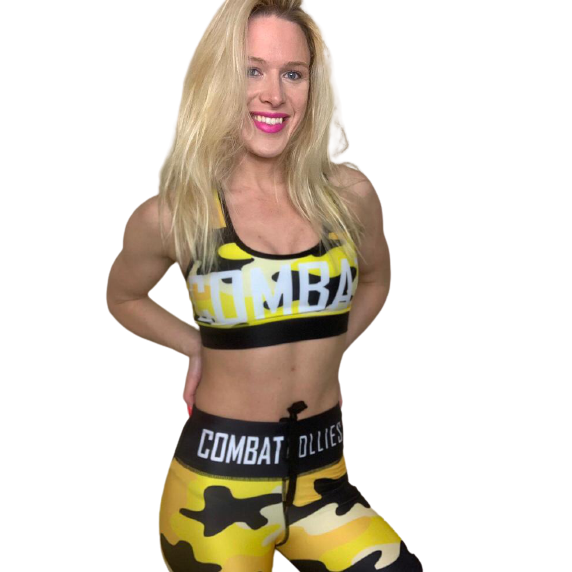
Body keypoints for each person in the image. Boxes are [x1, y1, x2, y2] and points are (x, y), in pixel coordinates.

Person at [107, 0, 423, 570]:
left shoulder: (349, 198)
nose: (273, 95)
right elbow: (123, 296)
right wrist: (197, 345)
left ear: (311, 87)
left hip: (322, 479)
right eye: (252, 70)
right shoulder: (178, 214)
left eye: (292, 74)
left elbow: (376, 280)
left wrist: (327, 348)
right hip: (216, 489)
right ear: (219, 79)